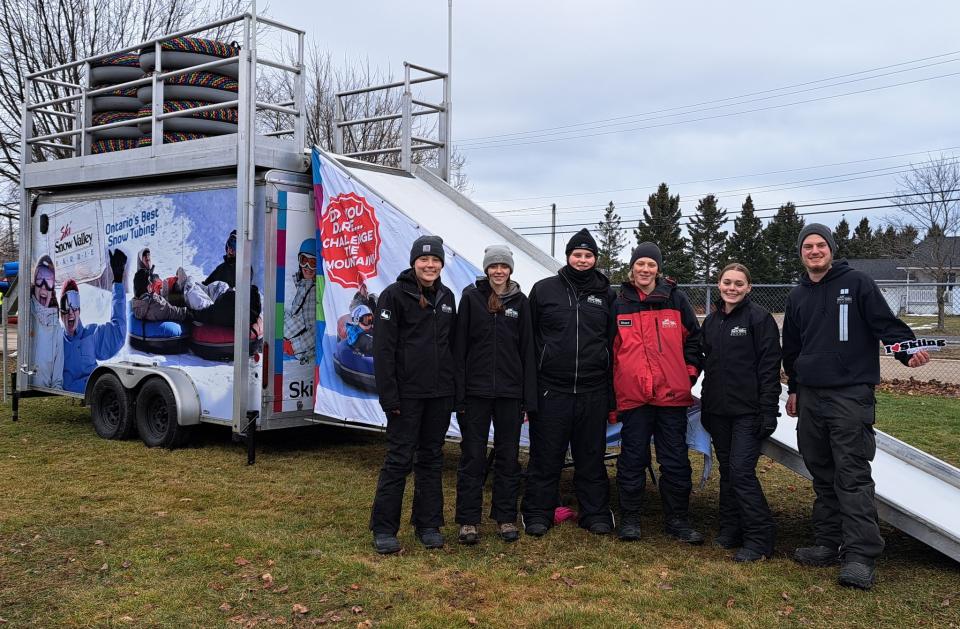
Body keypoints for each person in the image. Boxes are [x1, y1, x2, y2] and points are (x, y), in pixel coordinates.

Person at [783, 223, 930, 590]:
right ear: (801, 253)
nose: (814, 251)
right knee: (821, 472)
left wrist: (907, 352)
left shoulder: (858, 283)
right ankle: (827, 542)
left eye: (820, 245)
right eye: (807, 247)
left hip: (850, 394)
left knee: (851, 474)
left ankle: (860, 555)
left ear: (831, 249)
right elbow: (793, 347)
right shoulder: (797, 295)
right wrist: (795, 390)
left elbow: (885, 325)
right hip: (811, 396)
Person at [520, 228, 615, 537]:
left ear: (595, 259)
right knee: (545, 456)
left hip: (593, 390)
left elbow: (615, 343)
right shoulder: (544, 289)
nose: (583, 260)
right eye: (577, 254)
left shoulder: (606, 294)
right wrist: (531, 392)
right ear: (567, 257)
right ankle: (537, 513)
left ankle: (595, 513)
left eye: (588, 255)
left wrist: (611, 395)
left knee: (591, 457)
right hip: (552, 389)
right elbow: (531, 342)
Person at [610, 242, 704, 544]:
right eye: (640, 264)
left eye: (651, 265)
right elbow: (609, 350)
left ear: (658, 269)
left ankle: (678, 520)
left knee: (675, 459)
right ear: (632, 267)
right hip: (634, 397)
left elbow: (694, 341)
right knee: (632, 458)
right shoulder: (619, 301)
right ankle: (630, 519)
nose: (645, 269)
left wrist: (687, 375)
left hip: (671, 397)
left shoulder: (676, 299)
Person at [370, 235, 457, 554]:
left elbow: (452, 347)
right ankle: (383, 528)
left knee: (432, 459)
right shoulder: (393, 296)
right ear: (413, 263)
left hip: (439, 395)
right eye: (424, 260)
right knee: (398, 459)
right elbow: (383, 350)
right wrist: (389, 397)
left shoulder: (447, 297)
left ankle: (428, 524)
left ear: (441, 264)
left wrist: (452, 391)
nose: (430, 265)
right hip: (405, 397)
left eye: (435, 260)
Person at [453, 245, 537, 544]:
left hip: (510, 394)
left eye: (503, 266)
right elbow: (460, 349)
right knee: (472, 456)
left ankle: (505, 518)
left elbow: (528, 351)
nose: (498, 271)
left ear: (510, 270)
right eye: (493, 266)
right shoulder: (471, 299)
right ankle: (468, 521)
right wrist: (459, 395)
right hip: (475, 393)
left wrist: (529, 398)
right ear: (486, 269)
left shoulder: (521, 302)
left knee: (508, 457)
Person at [700, 263, 781, 561]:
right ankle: (730, 527)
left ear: (748, 288)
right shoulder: (711, 322)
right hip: (717, 411)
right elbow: (698, 357)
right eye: (727, 282)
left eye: (738, 283)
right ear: (718, 284)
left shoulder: (759, 319)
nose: (731, 288)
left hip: (749, 412)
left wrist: (768, 411)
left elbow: (770, 367)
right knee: (726, 471)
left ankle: (760, 538)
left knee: (741, 472)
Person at [61, 249, 128, 394]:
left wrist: (117, 281)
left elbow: (118, 333)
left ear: (80, 310)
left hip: (97, 396)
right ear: (60, 313)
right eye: (66, 304)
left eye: (75, 302)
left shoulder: (91, 335)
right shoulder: (56, 343)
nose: (71, 310)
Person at [29, 255, 63, 389]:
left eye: (48, 281)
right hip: (27, 390)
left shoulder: (56, 328)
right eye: (39, 280)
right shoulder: (27, 316)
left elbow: (58, 374)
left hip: (43, 394)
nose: (43, 287)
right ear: (34, 284)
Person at [283, 238, 317, 363]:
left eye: (313, 263)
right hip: (288, 346)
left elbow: (315, 331)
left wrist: (291, 347)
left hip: (298, 355)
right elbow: (298, 316)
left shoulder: (313, 291)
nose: (307, 267)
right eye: (304, 261)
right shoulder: (304, 285)